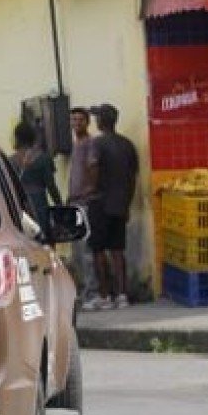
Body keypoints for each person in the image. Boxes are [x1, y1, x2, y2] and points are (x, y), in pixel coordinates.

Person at [84, 103, 140, 310]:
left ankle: (104, 296)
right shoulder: (127, 144)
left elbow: (92, 166)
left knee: (98, 250)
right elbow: (133, 177)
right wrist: (127, 203)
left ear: (100, 122)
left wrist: (90, 189)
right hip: (120, 204)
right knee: (118, 251)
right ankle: (122, 295)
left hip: (100, 203)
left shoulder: (97, 143)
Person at [66, 107, 99, 306]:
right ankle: (84, 292)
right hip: (75, 203)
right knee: (77, 251)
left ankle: (93, 293)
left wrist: (88, 192)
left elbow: (93, 169)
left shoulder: (90, 143)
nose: (76, 123)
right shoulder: (76, 144)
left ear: (87, 123)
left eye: (80, 120)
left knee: (86, 251)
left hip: (85, 203)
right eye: (73, 120)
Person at [11, 121, 62, 231]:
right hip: (39, 205)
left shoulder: (10, 161)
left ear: (17, 137)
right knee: (43, 239)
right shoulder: (43, 158)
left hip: (20, 207)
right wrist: (60, 206)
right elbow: (51, 186)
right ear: (33, 137)